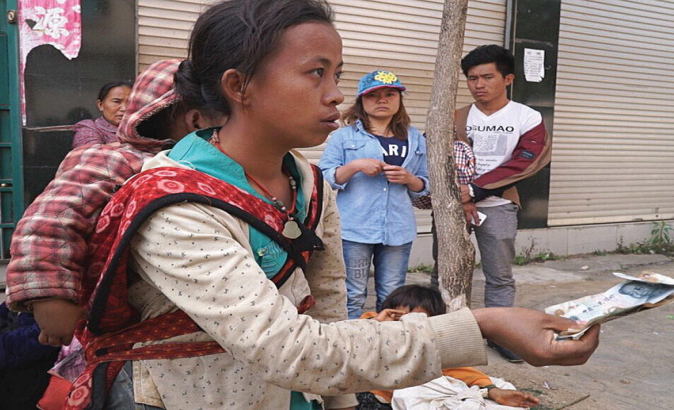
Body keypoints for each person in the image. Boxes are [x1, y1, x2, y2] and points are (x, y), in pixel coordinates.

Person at [64, 1, 599, 410]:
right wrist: (483, 325)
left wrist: (338, 401)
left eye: (337, 74)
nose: (335, 94)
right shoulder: (176, 204)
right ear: (239, 86)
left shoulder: (306, 181)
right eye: (315, 72)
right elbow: (294, 349)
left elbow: (323, 305)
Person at [5, 58, 225, 347]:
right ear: (195, 120)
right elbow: (49, 221)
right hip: (101, 314)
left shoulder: (206, 170)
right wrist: (49, 296)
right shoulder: (114, 159)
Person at [437, 44, 552, 363]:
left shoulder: (526, 117)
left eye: (487, 76)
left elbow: (528, 160)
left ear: (508, 79)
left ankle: (500, 335)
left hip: (499, 208)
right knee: (445, 273)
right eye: (472, 78)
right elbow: (437, 157)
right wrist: (458, 195)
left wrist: (474, 190)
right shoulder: (456, 116)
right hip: (452, 208)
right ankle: (444, 334)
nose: (478, 84)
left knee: (499, 275)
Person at [319, 70, 429, 319]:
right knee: (353, 293)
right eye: (373, 95)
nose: (382, 100)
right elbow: (324, 177)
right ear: (361, 101)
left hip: (398, 228)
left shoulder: (414, 138)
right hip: (354, 227)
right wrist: (355, 167)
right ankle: (352, 347)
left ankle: (387, 346)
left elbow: (427, 184)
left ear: (399, 99)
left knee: (393, 294)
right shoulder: (343, 136)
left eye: (390, 94)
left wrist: (410, 179)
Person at [359, 285, 540, 409]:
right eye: (401, 317)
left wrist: (492, 391)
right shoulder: (371, 325)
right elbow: (357, 340)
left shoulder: (432, 343)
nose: (408, 325)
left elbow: (461, 371)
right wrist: (378, 324)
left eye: (417, 319)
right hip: (370, 397)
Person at [72, 81, 133, 148]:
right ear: (100, 105)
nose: (124, 108)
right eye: (116, 102)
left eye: (130, 103)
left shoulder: (139, 128)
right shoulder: (89, 128)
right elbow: (90, 153)